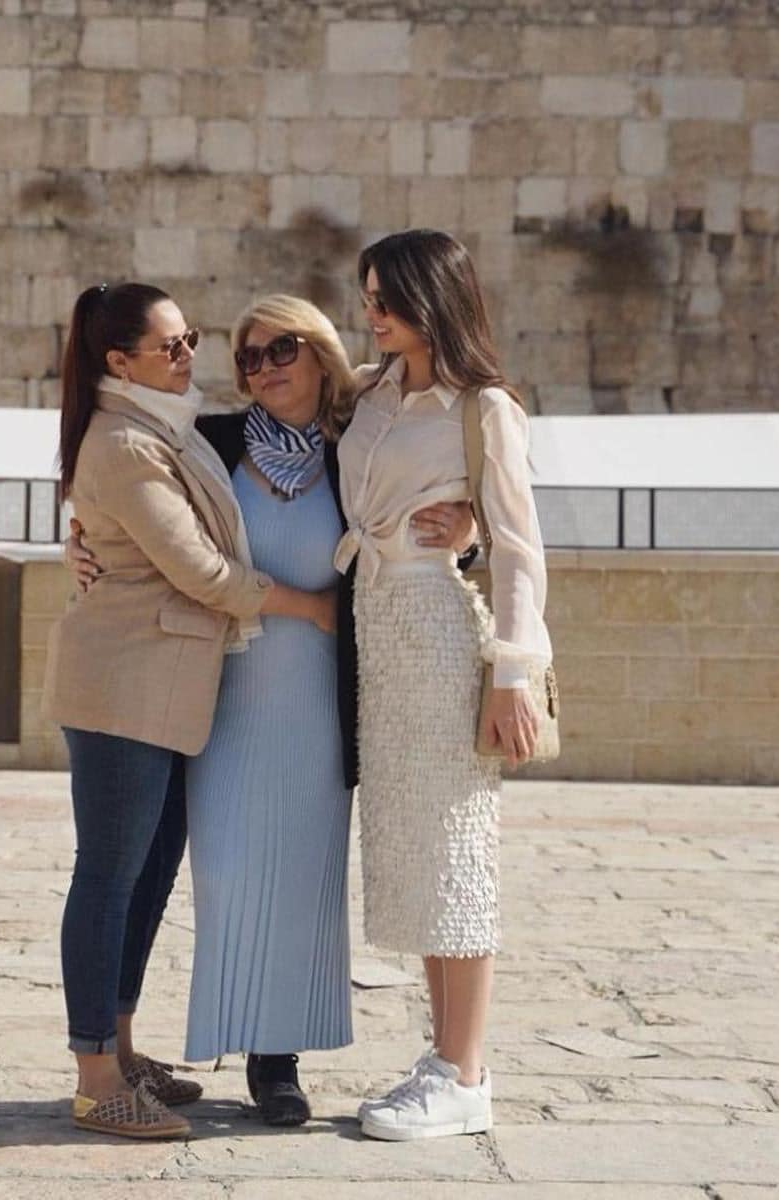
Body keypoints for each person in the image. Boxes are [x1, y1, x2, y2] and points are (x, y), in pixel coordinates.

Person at [66, 294, 476, 1126]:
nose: (263, 368)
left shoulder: (355, 443)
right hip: (215, 691)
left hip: (321, 694)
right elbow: (143, 525)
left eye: (281, 349)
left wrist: (468, 527)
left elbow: (440, 483)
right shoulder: (206, 440)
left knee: (302, 876)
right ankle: (162, 1046)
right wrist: (78, 541)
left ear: (318, 350)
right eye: (248, 357)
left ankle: (275, 1059)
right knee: (214, 871)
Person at [43, 282, 335, 1140]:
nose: (190, 356)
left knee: (144, 872)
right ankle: (98, 1078)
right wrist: (311, 607)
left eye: (191, 339)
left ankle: (122, 1048)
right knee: (107, 877)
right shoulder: (128, 442)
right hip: (125, 682)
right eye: (171, 345)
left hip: (166, 689)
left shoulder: (160, 429)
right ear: (118, 361)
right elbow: (201, 571)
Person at [335, 229, 553, 1142]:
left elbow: (518, 548)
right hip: (374, 631)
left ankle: (466, 1072)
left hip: (437, 630)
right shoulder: (368, 395)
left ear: (435, 298)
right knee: (420, 856)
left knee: (458, 850)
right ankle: (444, 1057)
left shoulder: (485, 407)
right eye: (368, 295)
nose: (372, 312)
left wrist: (512, 673)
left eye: (387, 297)